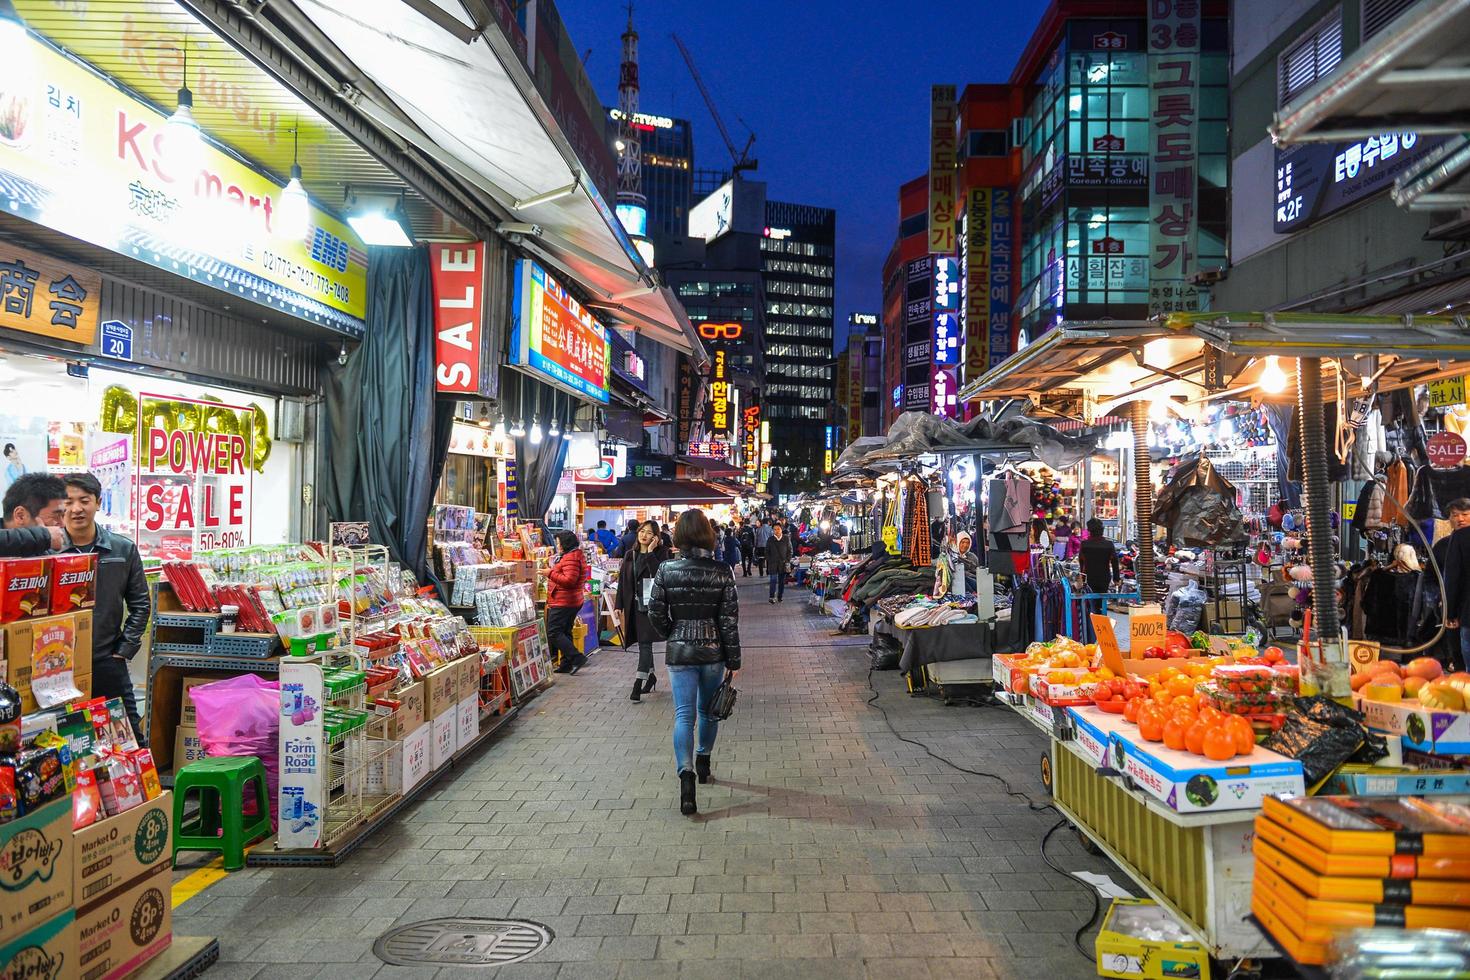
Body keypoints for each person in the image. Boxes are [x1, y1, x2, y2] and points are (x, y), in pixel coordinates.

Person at [647, 509, 740, 816]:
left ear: (678, 535)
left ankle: (685, 775)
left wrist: (672, 632)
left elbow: (655, 612)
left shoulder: (665, 569)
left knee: (684, 716)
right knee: (708, 713)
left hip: (679, 651)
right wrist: (734, 658)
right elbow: (729, 619)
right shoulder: (722, 570)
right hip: (713, 651)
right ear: (708, 534)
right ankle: (703, 759)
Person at [56, 474, 150, 744]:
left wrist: (124, 650)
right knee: (68, 742)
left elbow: (141, 603)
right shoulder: (49, 551)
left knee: (129, 736)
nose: (77, 509)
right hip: (59, 667)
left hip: (107, 661)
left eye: (84, 501)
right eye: (69, 501)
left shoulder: (122, 549)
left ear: (98, 503)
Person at [615, 520, 670, 702]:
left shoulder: (662, 553)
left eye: (648, 533)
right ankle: (651, 675)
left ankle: (638, 683)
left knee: (645, 643)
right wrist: (618, 605)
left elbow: (660, 575)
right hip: (635, 606)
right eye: (642, 531)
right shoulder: (630, 554)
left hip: (652, 606)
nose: (644, 535)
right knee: (643, 643)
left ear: (655, 537)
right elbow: (623, 581)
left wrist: (650, 553)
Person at [546, 530, 589, 674]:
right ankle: (566, 664)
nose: (557, 546)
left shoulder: (571, 557)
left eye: (559, 543)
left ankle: (577, 658)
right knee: (565, 631)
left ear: (566, 543)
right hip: (570, 599)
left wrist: (550, 573)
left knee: (554, 632)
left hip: (564, 601)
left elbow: (569, 581)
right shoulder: (572, 555)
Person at [1, 473, 66, 556]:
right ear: (20, 516)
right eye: (55, 516)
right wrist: (45, 535)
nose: (62, 524)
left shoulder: (46, 553)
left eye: (63, 515)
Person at [766, 521, 793, 604]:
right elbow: (767, 552)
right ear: (772, 530)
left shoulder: (786, 539)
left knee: (781, 581)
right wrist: (769, 560)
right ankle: (771, 597)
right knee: (773, 580)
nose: (776, 531)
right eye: (774, 529)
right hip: (773, 564)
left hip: (783, 564)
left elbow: (790, 551)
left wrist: (787, 560)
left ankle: (780, 596)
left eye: (778, 529)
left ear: (781, 529)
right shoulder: (770, 540)